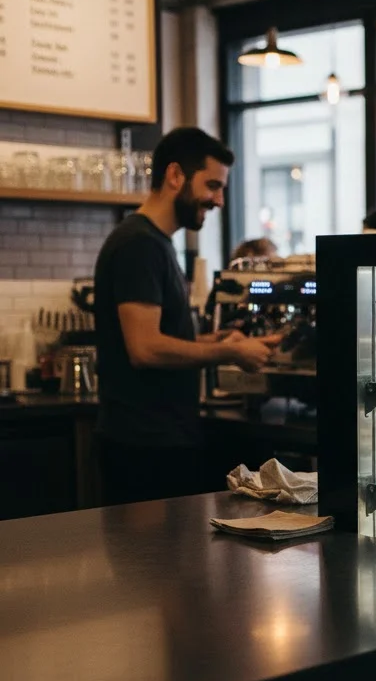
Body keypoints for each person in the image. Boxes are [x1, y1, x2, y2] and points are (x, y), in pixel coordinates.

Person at [93, 126, 277, 506]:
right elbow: (144, 349)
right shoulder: (139, 245)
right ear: (175, 175)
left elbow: (164, 336)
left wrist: (223, 340)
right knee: (149, 565)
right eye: (212, 185)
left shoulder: (155, 242)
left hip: (158, 439)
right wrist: (230, 355)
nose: (219, 200)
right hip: (143, 446)